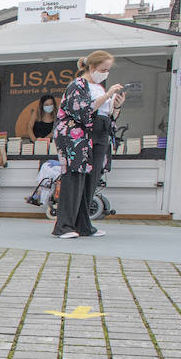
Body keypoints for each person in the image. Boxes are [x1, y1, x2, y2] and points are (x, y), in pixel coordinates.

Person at [53, 51, 121, 239]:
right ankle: (64, 225)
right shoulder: (77, 85)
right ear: (92, 67)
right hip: (77, 137)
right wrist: (108, 95)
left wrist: (116, 105)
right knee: (74, 178)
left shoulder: (98, 87)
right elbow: (82, 111)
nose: (106, 73)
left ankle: (83, 224)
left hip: (99, 135)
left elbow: (107, 115)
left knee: (91, 180)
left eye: (108, 70)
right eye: (103, 69)